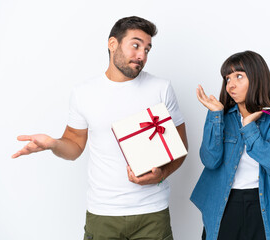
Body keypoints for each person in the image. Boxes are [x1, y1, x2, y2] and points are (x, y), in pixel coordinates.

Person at [12, 16, 188, 240]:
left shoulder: (161, 88)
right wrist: (53, 144)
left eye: (147, 49)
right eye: (135, 45)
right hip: (103, 213)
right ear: (112, 44)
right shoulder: (83, 93)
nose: (142, 55)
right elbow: (74, 146)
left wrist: (161, 174)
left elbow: (181, 146)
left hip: (152, 213)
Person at [190, 50, 270, 240]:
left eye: (239, 76)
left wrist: (249, 127)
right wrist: (215, 115)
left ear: (257, 78)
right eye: (227, 79)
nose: (231, 85)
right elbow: (210, 160)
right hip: (225, 203)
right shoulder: (221, 117)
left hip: (261, 205)